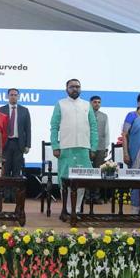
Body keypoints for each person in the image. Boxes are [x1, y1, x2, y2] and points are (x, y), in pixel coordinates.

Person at [50, 79, 98, 215]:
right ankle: (66, 209)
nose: (75, 89)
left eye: (77, 86)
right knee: (65, 179)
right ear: (66, 89)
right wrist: (55, 145)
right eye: (72, 87)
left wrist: (93, 147)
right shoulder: (60, 104)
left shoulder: (86, 105)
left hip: (84, 147)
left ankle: (76, 210)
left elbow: (93, 127)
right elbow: (54, 127)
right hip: (66, 148)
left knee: (82, 180)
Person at [0, 88, 31, 202]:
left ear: (18, 96)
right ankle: (7, 197)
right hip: (5, 144)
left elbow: (28, 129)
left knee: (17, 172)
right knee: (6, 171)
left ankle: (15, 197)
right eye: (11, 95)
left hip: (19, 144)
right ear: (7, 96)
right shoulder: (0, 110)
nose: (13, 97)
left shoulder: (24, 110)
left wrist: (28, 145)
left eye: (15, 95)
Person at [85, 95, 109, 204]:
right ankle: (87, 196)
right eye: (95, 102)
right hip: (86, 147)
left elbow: (106, 133)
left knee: (98, 172)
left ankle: (96, 196)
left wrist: (106, 147)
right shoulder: (85, 115)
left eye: (99, 102)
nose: (97, 104)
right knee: (87, 172)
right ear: (90, 103)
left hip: (100, 148)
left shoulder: (104, 116)